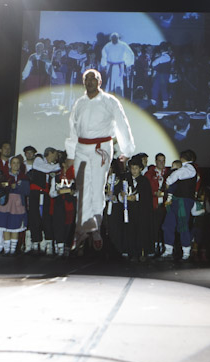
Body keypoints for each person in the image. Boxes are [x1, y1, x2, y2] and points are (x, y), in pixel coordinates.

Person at [65, 69, 135, 251]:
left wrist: (127, 150)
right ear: (83, 82)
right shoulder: (79, 103)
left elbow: (122, 124)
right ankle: (82, 229)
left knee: (96, 188)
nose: (89, 81)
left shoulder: (109, 101)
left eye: (93, 78)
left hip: (101, 148)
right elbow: (73, 130)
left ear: (100, 82)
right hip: (81, 148)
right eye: (86, 78)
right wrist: (70, 155)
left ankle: (95, 228)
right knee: (83, 189)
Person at [161, 149, 198, 260]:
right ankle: (168, 250)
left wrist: (168, 181)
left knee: (182, 225)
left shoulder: (189, 168)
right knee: (168, 224)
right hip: (175, 200)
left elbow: (178, 174)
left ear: (182, 158)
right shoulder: (184, 168)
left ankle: (186, 252)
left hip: (183, 201)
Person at [27, 147, 60, 254]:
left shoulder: (52, 166)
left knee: (47, 218)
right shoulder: (39, 159)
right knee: (34, 217)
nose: (56, 157)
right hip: (35, 194)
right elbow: (45, 169)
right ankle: (35, 243)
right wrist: (60, 165)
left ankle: (48, 243)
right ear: (50, 153)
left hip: (46, 194)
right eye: (55, 155)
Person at [0, 156, 30, 255]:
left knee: (15, 227)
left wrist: (18, 186)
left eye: (18, 163)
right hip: (6, 203)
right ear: (10, 164)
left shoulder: (23, 177)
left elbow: (27, 191)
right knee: (6, 227)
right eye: (14, 163)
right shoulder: (5, 175)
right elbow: (0, 188)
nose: (16, 165)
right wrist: (7, 186)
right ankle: (7, 249)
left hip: (18, 203)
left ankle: (13, 250)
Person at [144, 153, 169, 255]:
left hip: (166, 205)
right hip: (154, 205)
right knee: (154, 227)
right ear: (155, 161)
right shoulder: (149, 174)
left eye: (163, 161)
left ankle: (164, 246)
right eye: (159, 161)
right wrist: (154, 193)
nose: (161, 163)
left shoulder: (169, 173)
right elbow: (145, 189)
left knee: (165, 227)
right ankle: (154, 246)